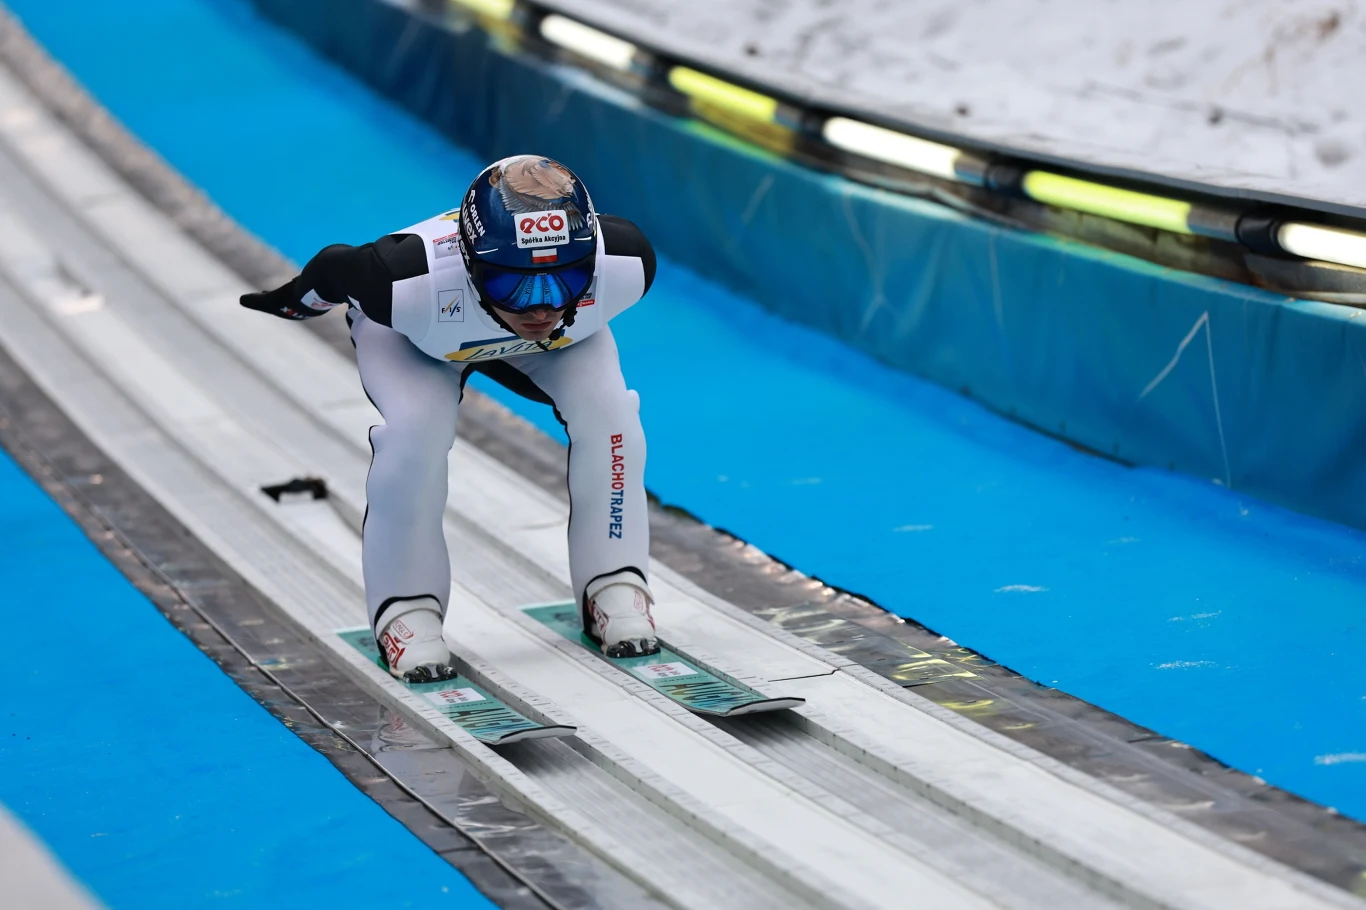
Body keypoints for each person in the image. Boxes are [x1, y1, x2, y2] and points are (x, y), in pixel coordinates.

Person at [241, 154, 659, 682]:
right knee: (415, 436)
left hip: (534, 338)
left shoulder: (622, 263)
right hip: (417, 340)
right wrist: (293, 304)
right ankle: (406, 611)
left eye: (567, 278)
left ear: (592, 262)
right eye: (516, 284)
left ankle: (615, 583)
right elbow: (332, 267)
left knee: (613, 417)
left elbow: (330, 266)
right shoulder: (404, 283)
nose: (541, 307)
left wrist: (296, 304)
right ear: (469, 262)